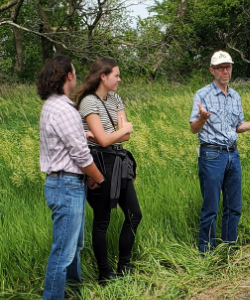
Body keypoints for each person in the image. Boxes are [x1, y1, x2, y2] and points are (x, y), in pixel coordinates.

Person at [189, 50, 250, 253]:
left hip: (233, 153)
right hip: (212, 155)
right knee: (211, 207)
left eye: (228, 67)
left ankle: (230, 249)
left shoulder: (234, 96)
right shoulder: (202, 95)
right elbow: (193, 128)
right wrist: (202, 119)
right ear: (212, 70)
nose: (225, 71)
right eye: (221, 68)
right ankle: (207, 252)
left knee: (233, 205)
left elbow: (238, 126)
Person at [38, 55, 104, 299]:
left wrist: (82, 133)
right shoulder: (64, 109)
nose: (76, 78)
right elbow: (81, 156)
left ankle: (73, 293)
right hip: (67, 185)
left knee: (73, 247)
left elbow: (64, 141)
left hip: (63, 183)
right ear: (68, 76)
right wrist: (99, 178)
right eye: (75, 73)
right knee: (63, 252)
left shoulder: (52, 106)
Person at [74, 57, 142, 285]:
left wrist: (113, 134)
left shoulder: (115, 98)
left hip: (119, 160)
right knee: (102, 221)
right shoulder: (88, 102)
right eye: (116, 75)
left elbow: (126, 135)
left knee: (134, 214)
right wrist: (115, 133)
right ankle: (104, 273)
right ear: (103, 76)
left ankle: (124, 266)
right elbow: (104, 139)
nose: (120, 79)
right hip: (100, 162)